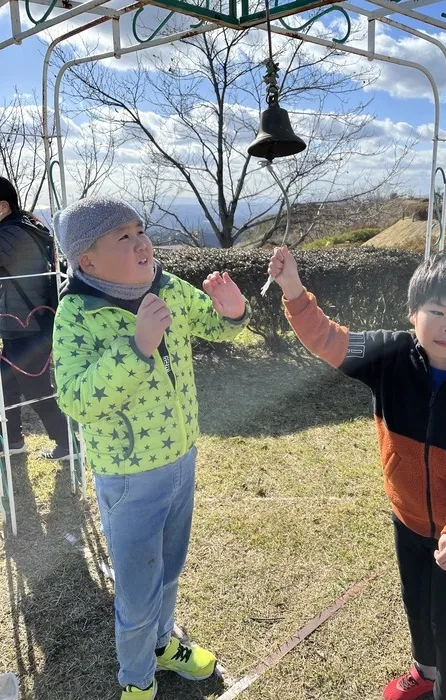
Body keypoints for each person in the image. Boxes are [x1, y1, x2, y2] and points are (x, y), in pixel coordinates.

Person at [268, 247, 446, 700]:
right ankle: (424, 675)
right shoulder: (391, 354)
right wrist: (293, 289)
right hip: (406, 520)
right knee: (415, 606)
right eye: (438, 311)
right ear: (413, 311)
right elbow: (327, 338)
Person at [52, 197, 250, 700]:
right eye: (123, 235)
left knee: (169, 563)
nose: (142, 241)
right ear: (86, 260)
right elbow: (75, 398)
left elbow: (213, 322)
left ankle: (163, 645)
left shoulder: (165, 285)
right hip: (128, 474)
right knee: (138, 588)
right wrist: (136, 347)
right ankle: (137, 680)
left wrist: (233, 312)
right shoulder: (77, 312)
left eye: (140, 229)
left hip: (182, 458)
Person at [0, 176, 70, 460]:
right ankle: (13, 440)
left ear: (2, 206)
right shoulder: (20, 227)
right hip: (24, 322)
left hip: (26, 325)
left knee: (36, 389)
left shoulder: (10, 234)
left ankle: (68, 445)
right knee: (6, 384)